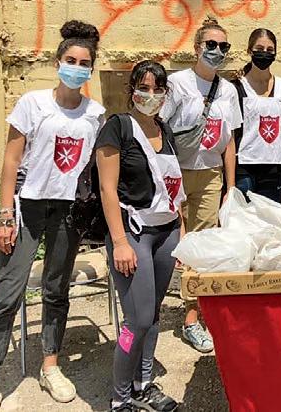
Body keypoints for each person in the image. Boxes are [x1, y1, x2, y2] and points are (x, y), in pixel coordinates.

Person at [0, 21, 104, 409]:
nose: (76, 67)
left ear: (91, 69)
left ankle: (50, 365)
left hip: (68, 211)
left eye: (84, 63)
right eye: (70, 60)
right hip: (28, 208)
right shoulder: (33, 103)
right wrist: (6, 215)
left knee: (57, 290)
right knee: (6, 293)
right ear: (57, 62)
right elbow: (11, 160)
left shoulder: (95, 114)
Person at [96, 61, 184, 412]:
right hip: (133, 234)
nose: (151, 95)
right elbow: (107, 189)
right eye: (143, 88)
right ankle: (120, 398)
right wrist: (119, 242)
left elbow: (174, 188)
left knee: (154, 314)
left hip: (166, 232)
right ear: (131, 90)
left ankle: (143, 385)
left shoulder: (165, 129)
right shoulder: (117, 127)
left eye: (158, 89)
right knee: (137, 320)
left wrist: (182, 231)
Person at [159, 18, 241, 353]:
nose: (217, 51)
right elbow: (160, 128)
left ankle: (193, 317)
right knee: (172, 243)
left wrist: (230, 186)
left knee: (203, 245)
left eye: (223, 46)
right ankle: (149, 310)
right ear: (196, 48)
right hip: (176, 172)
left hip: (210, 174)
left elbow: (229, 140)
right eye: (211, 45)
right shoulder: (177, 83)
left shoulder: (228, 90)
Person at [232, 28, 281, 203]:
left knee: (270, 218)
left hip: (275, 168)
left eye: (270, 50)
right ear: (249, 51)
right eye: (259, 49)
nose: (265, 53)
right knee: (245, 216)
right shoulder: (237, 86)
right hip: (244, 168)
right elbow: (232, 133)